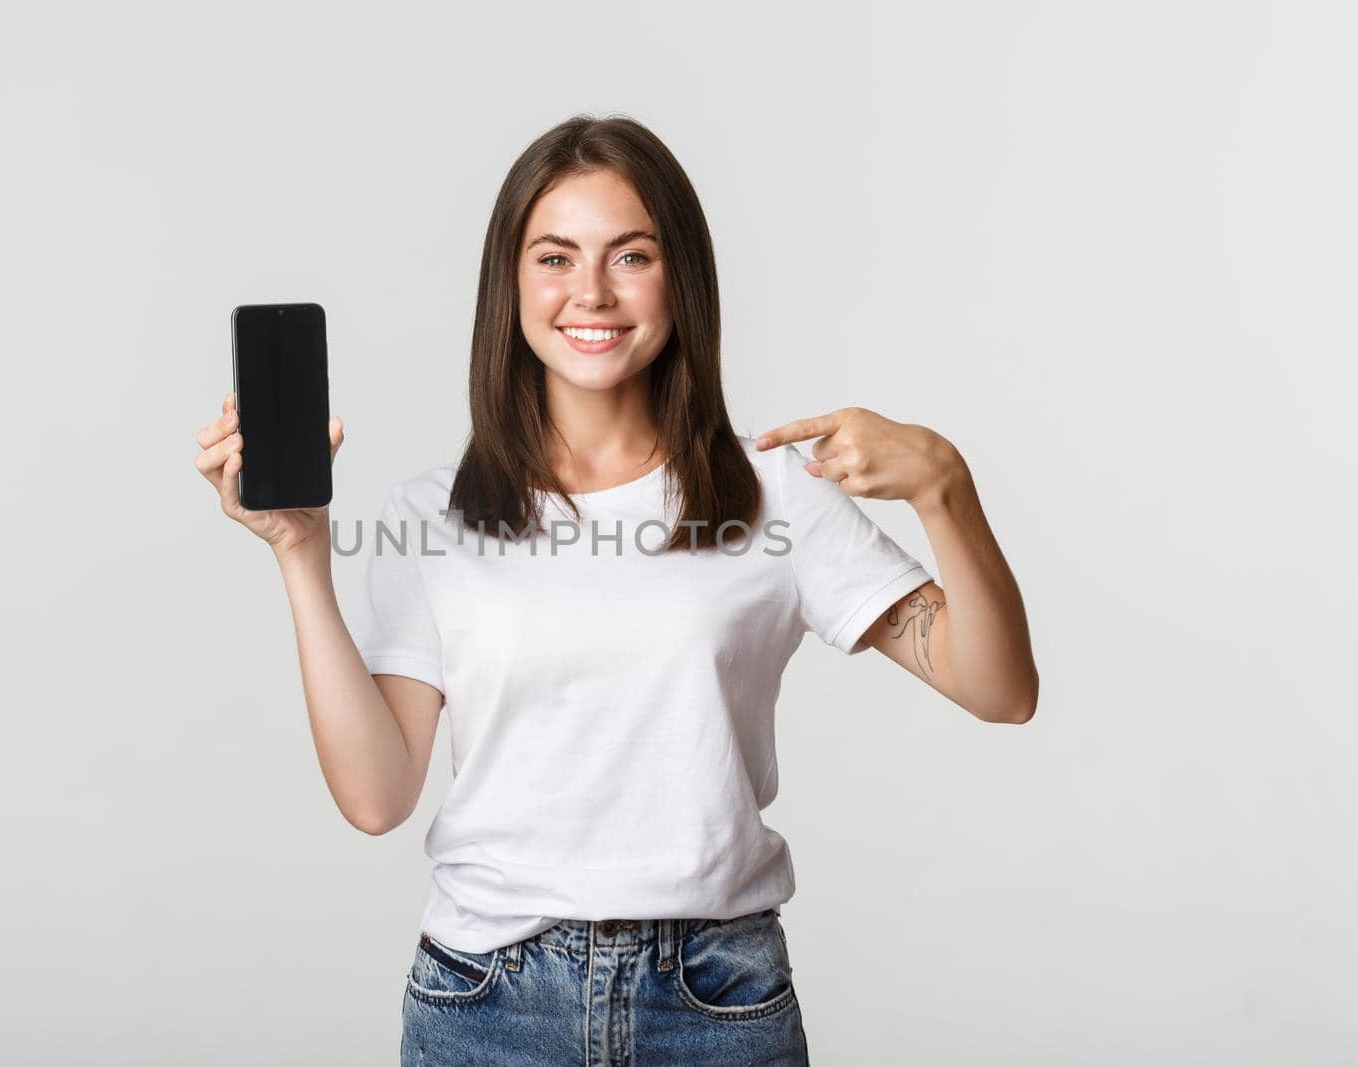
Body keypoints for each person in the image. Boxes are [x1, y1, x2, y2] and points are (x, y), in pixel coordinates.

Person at [193, 114, 1038, 1066]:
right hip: (488, 1000)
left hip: (717, 1000)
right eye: (554, 257)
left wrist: (944, 489)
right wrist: (300, 554)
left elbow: (1001, 689)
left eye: (630, 255)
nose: (590, 291)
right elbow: (378, 796)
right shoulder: (433, 515)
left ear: (681, 277)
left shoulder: (773, 496)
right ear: (509, 284)